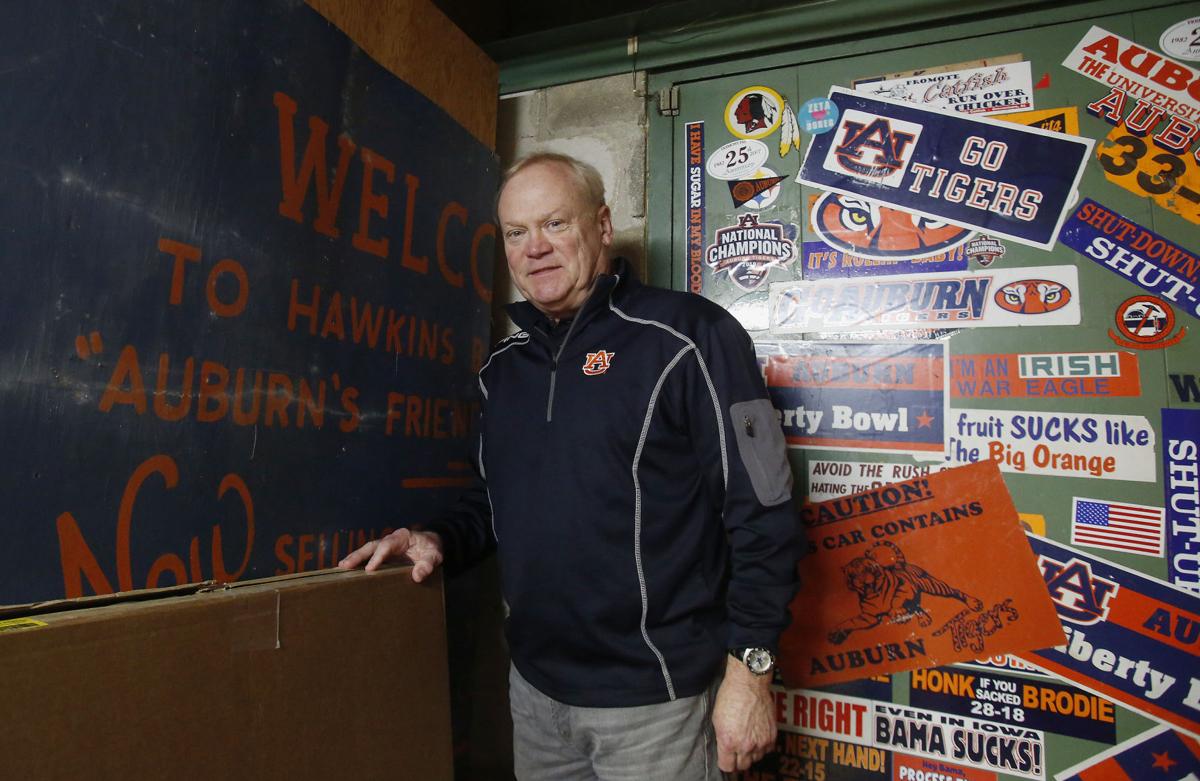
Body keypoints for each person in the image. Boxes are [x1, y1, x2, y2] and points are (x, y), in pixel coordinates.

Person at [340, 152, 799, 779]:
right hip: (536, 698)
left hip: (654, 705)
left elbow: (764, 512)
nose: (535, 248)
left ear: (603, 226)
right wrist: (437, 537)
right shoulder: (502, 371)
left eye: (555, 223)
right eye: (515, 232)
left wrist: (750, 677)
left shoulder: (690, 337)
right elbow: (493, 503)